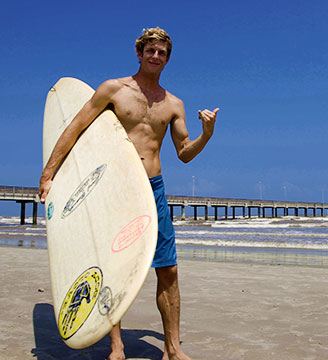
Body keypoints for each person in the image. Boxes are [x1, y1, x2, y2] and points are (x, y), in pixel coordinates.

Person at [39, 27, 219, 360]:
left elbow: (183, 152)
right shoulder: (113, 90)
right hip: (115, 189)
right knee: (112, 265)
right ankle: (116, 345)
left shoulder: (173, 104)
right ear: (139, 53)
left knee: (169, 269)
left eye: (162, 53)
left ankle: (173, 348)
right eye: (150, 50)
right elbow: (74, 129)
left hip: (153, 189)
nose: (155, 57)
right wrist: (48, 174)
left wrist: (206, 135)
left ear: (168, 58)